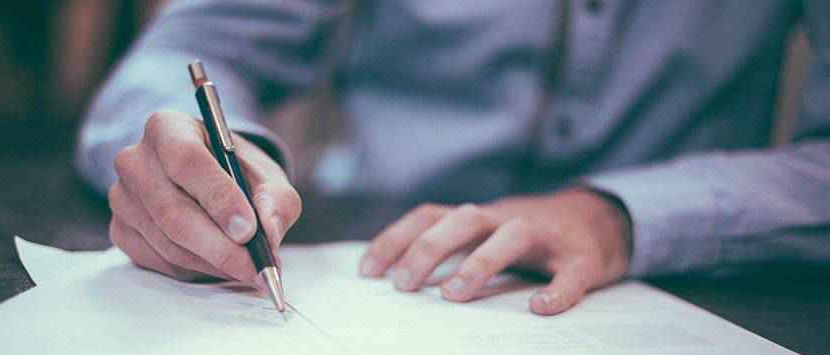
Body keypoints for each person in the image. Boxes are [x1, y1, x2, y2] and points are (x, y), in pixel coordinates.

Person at [76, 1, 830, 315]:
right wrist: (203, 162)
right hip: (374, 264)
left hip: (692, 287)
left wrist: (621, 216)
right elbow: (181, 56)